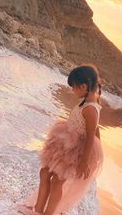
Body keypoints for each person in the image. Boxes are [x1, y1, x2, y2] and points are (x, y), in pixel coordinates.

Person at [17, 63, 104, 215]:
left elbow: (92, 137)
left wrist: (85, 161)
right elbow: (95, 129)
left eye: (74, 87)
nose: (72, 90)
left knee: (57, 182)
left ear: (83, 87)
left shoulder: (91, 109)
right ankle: (38, 209)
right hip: (64, 143)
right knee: (44, 173)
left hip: (74, 150)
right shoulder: (86, 102)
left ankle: (48, 213)